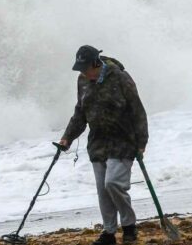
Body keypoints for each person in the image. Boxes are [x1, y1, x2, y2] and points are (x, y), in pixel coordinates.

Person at [59, 45, 148, 245]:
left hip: (123, 140)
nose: (83, 72)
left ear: (96, 63)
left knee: (113, 183)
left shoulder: (121, 78)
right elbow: (80, 113)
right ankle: (109, 233)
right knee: (103, 190)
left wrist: (142, 142)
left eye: (85, 68)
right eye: (80, 69)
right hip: (98, 143)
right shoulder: (82, 80)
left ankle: (129, 226)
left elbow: (137, 110)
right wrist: (67, 137)